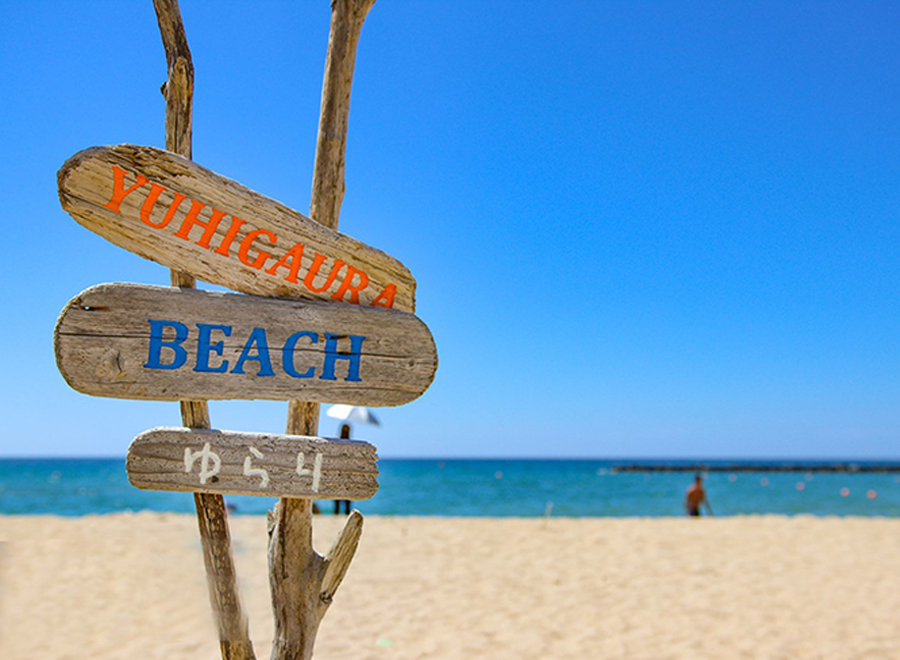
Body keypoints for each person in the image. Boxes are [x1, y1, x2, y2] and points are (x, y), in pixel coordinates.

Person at [334, 423, 352, 515]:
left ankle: (336, 513)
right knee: (347, 498)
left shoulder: (337, 443)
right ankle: (346, 514)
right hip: (348, 473)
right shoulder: (352, 444)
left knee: (337, 497)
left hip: (337, 472)